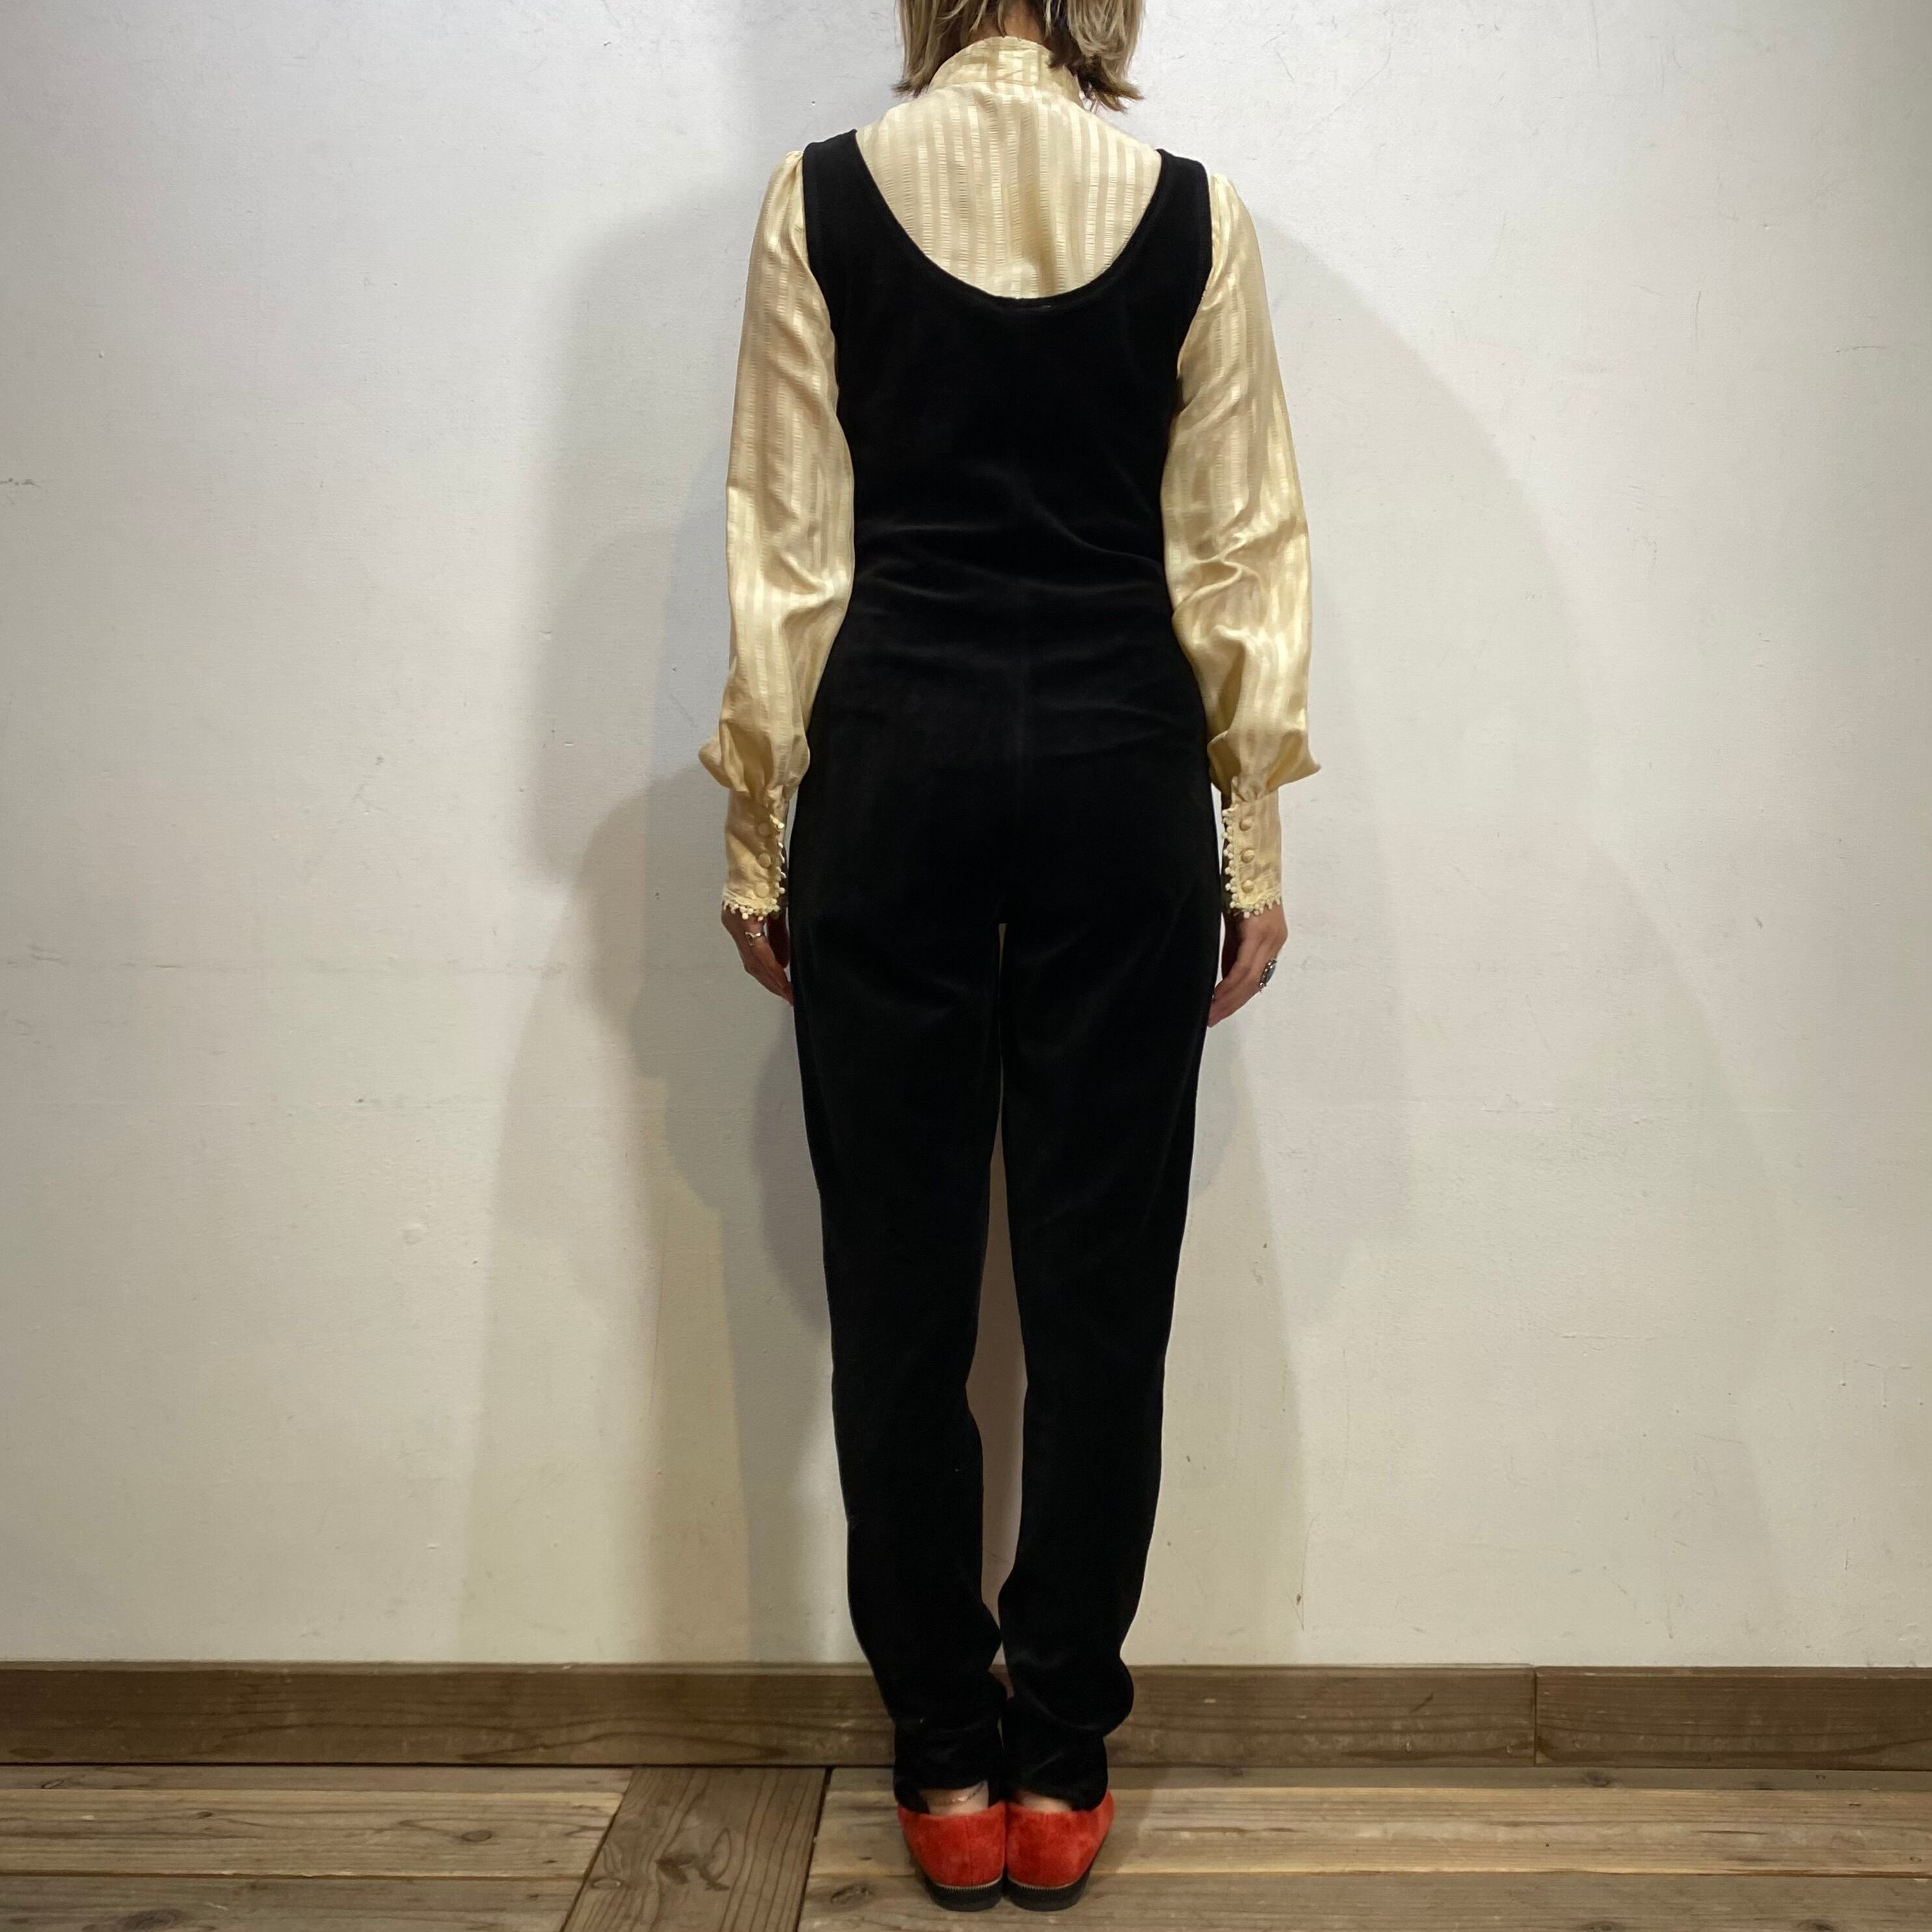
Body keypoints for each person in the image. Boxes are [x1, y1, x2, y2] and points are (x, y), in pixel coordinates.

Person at [698, 0, 1315, 1910]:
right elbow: (1236, 549)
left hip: (894, 767)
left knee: (896, 1296)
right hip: (1121, 776)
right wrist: (1249, 830)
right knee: (1099, 1299)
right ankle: (1059, 1750)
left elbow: (788, 549)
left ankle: (939, 1751)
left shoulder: (818, 201)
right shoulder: (1195, 213)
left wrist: (760, 828)